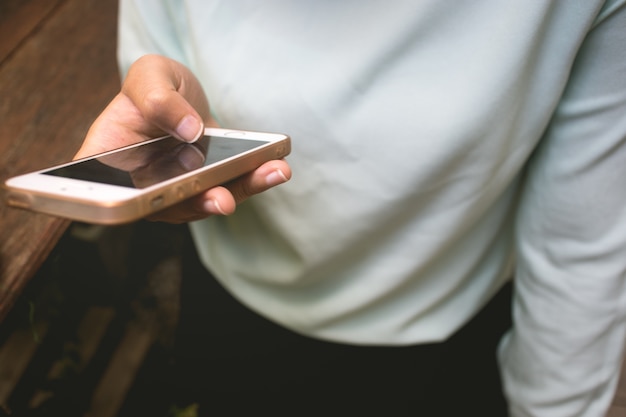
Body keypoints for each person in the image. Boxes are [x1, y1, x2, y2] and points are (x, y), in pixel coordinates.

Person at [76, 1, 626, 416]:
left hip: (445, 338)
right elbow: (153, 66)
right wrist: (174, 133)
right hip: (231, 307)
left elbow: (579, 244)